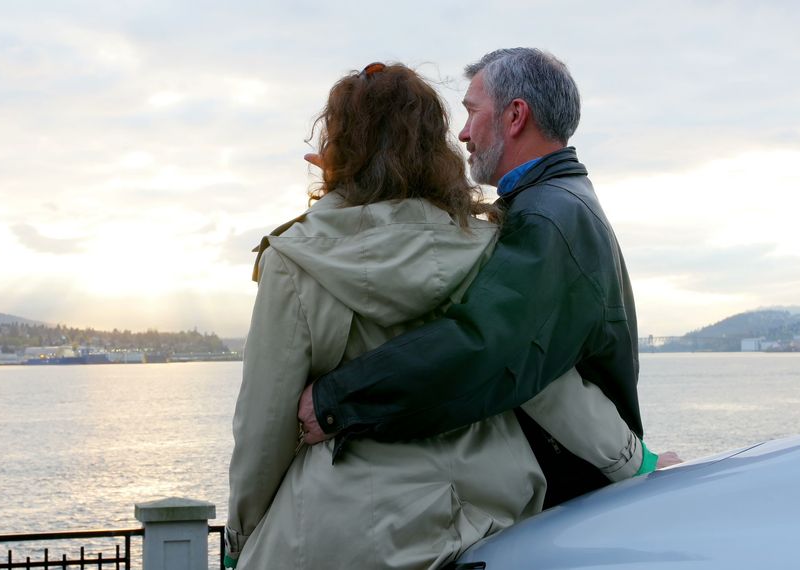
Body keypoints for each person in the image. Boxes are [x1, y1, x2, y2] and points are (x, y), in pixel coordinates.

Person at [225, 62, 649, 570]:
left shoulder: (294, 261)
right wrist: (635, 463)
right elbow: (544, 382)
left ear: (337, 149)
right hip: (489, 518)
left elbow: (264, 425)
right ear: (434, 147)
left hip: (347, 527)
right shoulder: (490, 243)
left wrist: (241, 537)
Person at [298, 48, 679, 503]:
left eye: (472, 112)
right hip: (580, 492)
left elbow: (483, 347)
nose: (462, 134)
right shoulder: (555, 202)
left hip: (571, 502)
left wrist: (336, 401)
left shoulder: (547, 217)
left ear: (515, 116)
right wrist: (354, 185)